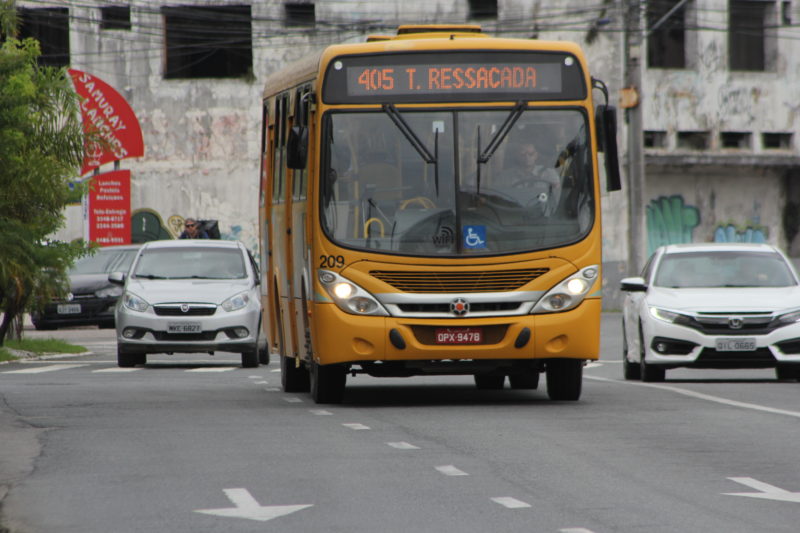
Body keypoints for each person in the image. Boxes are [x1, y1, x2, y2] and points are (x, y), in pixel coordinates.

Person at [502, 141, 562, 215]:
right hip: (514, 216)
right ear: (517, 156)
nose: (527, 157)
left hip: (544, 216)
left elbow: (557, 198)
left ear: (536, 155)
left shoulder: (549, 174)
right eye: (523, 154)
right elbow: (498, 197)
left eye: (531, 154)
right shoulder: (506, 176)